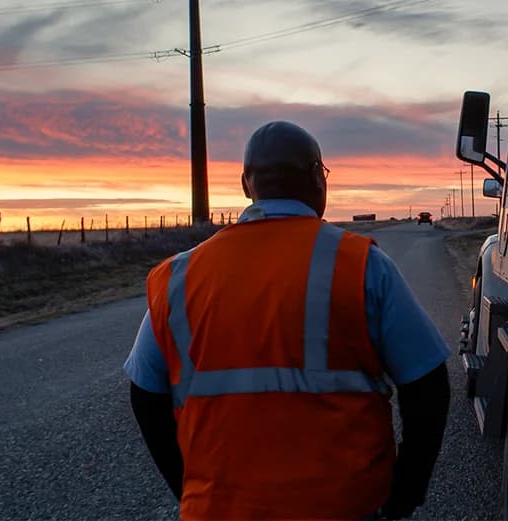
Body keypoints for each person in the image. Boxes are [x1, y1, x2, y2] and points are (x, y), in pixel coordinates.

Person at [123, 121, 451, 520]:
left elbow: (145, 393)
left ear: (247, 185)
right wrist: (406, 492)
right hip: (344, 507)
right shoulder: (361, 265)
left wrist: (189, 487)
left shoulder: (178, 277)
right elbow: (427, 383)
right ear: (317, 177)